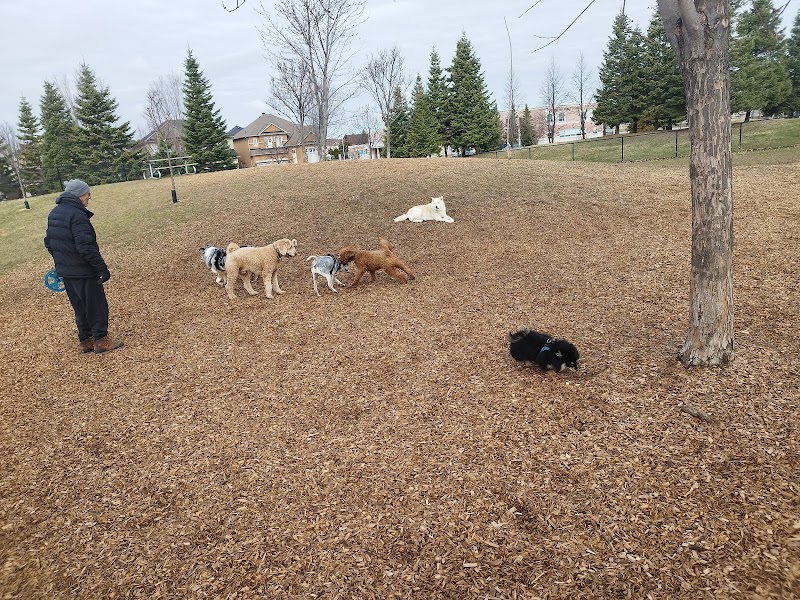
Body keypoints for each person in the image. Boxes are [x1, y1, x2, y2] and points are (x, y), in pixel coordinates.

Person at [44, 179, 124, 354]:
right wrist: (101, 268)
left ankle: (85, 340)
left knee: (80, 306)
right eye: (87, 193)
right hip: (83, 271)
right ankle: (101, 340)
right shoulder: (77, 215)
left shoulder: (55, 213)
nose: (89, 197)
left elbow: (49, 242)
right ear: (79, 195)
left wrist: (63, 262)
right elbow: (85, 247)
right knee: (96, 305)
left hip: (67, 272)